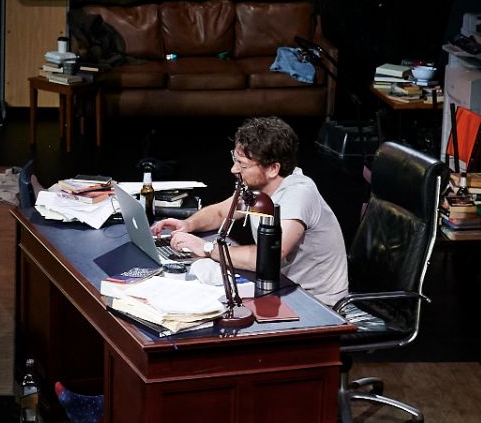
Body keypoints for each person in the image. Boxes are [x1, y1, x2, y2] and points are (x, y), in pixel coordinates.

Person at [150, 117, 350, 309]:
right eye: (235, 160)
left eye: (243, 165)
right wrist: (188, 224)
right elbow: (220, 212)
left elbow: (268, 257)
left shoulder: (297, 194)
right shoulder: (258, 188)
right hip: (277, 288)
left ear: (273, 168)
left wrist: (207, 248)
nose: (233, 169)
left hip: (316, 303)